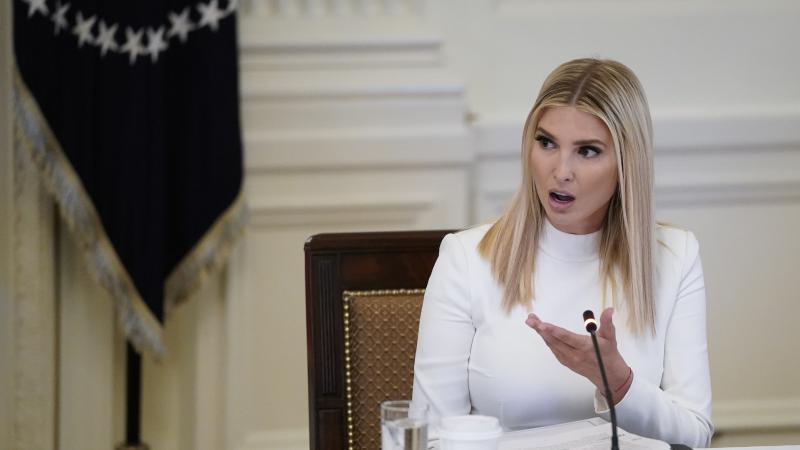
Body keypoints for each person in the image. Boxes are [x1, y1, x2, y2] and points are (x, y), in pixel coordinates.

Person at [411, 58, 713, 448]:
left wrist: (618, 383)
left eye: (587, 151)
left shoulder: (675, 257)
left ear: (627, 163)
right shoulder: (466, 259)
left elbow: (695, 434)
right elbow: (430, 440)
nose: (560, 171)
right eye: (547, 142)